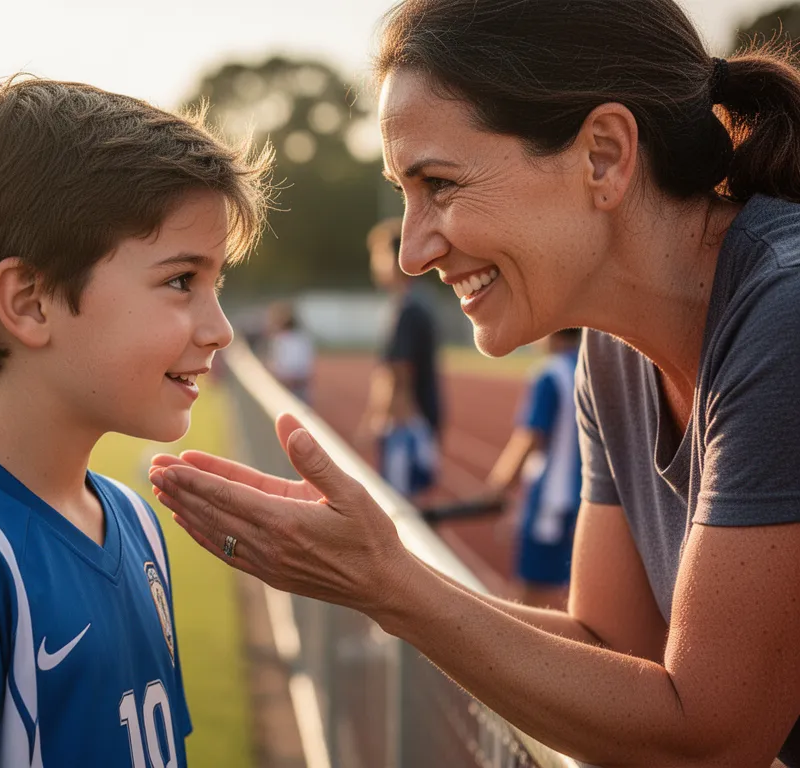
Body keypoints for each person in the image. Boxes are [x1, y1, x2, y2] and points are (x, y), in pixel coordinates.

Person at [148, 2, 800, 765]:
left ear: (605, 156)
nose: (412, 253)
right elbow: (616, 652)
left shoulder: (784, 313)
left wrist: (388, 585)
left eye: (440, 184)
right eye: (403, 192)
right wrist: (374, 565)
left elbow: (712, 738)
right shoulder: (612, 354)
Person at [0, 77, 271, 767]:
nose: (219, 330)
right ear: (29, 301)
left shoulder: (131, 518)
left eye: (217, 284)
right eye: (182, 281)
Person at [485, 329, 582, 609]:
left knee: (527, 596)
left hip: (552, 500)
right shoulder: (591, 369)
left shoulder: (549, 374)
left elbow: (529, 438)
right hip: (589, 499)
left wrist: (498, 486)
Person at [357, 217, 442, 498]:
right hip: (415, 420)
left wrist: (378, 422)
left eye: (378, 256)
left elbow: (400, 375)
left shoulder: (407, 309)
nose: (374, 264)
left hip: (406, 424)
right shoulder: (410, 305)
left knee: (401, 508)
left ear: (395, 259)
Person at [264, 301, 316, 402]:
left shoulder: (279, 339)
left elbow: (278, 364)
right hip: (298, 382)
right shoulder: (303, 338)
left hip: (289, 382)